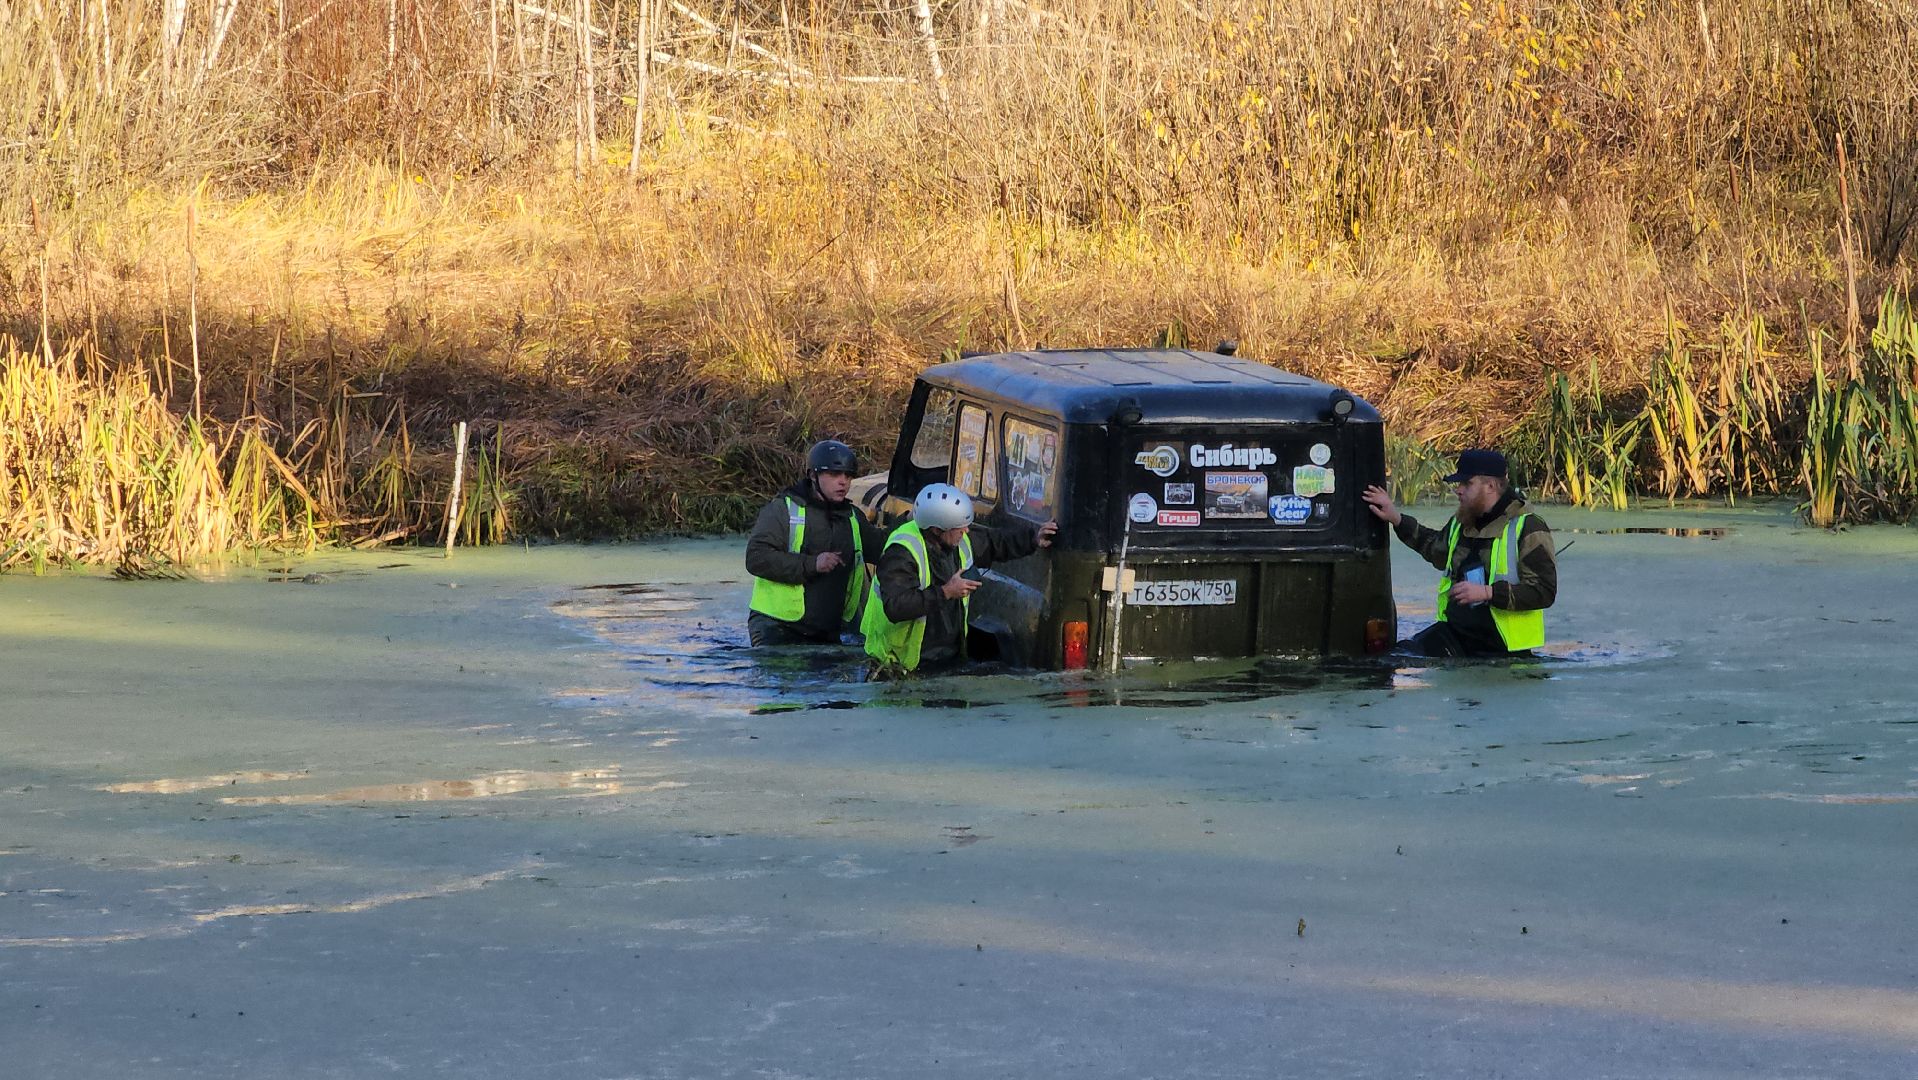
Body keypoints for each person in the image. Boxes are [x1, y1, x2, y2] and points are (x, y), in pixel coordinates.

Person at [1361, 449, 1556, 658]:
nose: (1458, 490)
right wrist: (1396, 518)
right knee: (1393, 658)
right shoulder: (1461, 521)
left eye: (1467, 484)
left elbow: (1543, 592)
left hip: (1504, 651)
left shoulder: (1528, 527)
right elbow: (1434, 548)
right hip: (1456, 636)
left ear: (1490, 486)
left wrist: (1487, 593)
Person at [862, 483, 1057, 675]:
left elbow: (994, 542)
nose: (966, 531)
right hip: (897, 665)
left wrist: (1033, 538)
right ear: (937, 529)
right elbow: (897, 607)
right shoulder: (901, 552)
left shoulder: (958, 540)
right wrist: (946, 592)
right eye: (959, 528)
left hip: (946, 658)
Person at [745, 440, 887, 646]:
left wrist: (914, 523)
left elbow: (883, 548)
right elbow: (756, 558)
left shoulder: (852, 517)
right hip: (776, 628)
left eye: (848, 475)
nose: (843, 482)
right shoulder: (783, 510)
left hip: (827, 631)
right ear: (813, 476)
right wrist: (812, 564)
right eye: (834, 475)